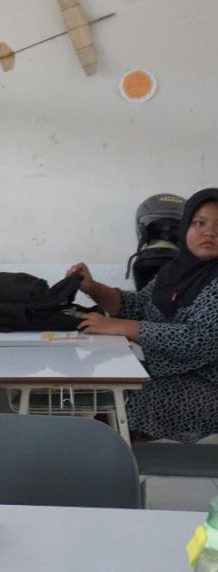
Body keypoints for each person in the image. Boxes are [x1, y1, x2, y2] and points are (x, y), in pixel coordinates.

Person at [67, 187, 218, 443]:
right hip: (170, 376)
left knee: (128, 398)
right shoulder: (174, 271)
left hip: (208, 387)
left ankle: (112, 467)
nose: (209, 232)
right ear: (185, 228)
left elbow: (199, 340)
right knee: (109, 386)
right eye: (199, 223)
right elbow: (137, 306)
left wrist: (120, 327)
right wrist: (93, 288)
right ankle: (100, 463)